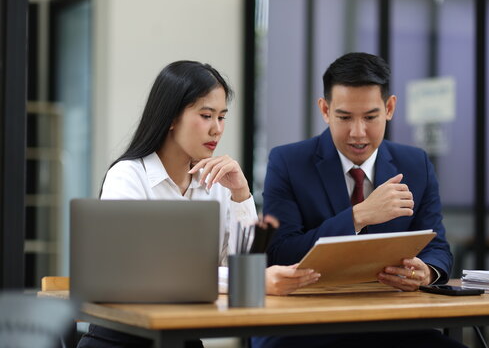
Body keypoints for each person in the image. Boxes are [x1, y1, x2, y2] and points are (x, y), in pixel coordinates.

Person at [77, 60, 320, 348]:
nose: (217, 129)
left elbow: (246, 265)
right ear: (170, 118)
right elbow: (143, 275)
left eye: (222, 117)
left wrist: (241, 194)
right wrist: (245, 281)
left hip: (184, 337)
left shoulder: (218, 183)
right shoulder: (128, 176)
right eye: (206, 115)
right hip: (122, 340)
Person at [252, 52, 464, 348]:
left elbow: (437, 247)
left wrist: (426, 272)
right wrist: (358, 216)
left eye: (370, 117)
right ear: (325, 110)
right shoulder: (287, 162)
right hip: (304, 325)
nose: (358, 132)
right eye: (344, 117)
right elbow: (280, 254)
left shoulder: (415, 164)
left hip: (392, 323)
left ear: (389, 108)